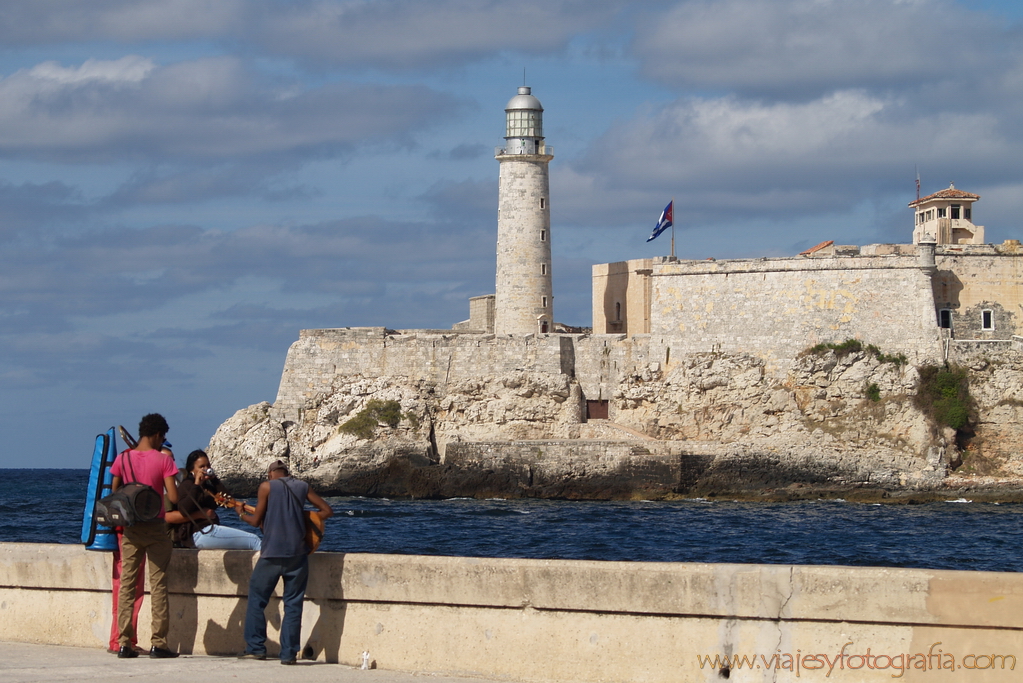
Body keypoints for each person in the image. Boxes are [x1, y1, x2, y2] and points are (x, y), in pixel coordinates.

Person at [239, 459, 333, 664]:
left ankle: (256, 648)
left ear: (271, 473)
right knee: (293, 604)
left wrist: (241, 515)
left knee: (257, 600)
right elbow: (327, 511)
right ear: (286, 472)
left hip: (272, 554)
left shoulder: (266, 487)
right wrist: (305, 519)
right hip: (298, 555)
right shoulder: (302, 486)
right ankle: (289, 654)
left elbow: (256, 521)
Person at [109, 413, 179, 659]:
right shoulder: (163, 460)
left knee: (127, 585)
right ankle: (158, 643)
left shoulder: (123, 458)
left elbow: (115, 491)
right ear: (158, 435)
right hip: (156, 526)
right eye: (163, 437)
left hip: (131, 528)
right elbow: (174, 497)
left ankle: (124, 643)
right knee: (158, 585)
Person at [174, 450, 261, 550]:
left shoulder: (207, 487)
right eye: (202, 467)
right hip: (199, 533)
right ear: (191, 470)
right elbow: (184, 509)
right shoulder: (187, 485)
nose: (206, 469)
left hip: (208, 530)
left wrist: (214, 480)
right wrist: (196, 484)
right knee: (254, 540)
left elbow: (229, 500)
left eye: (208, 466)